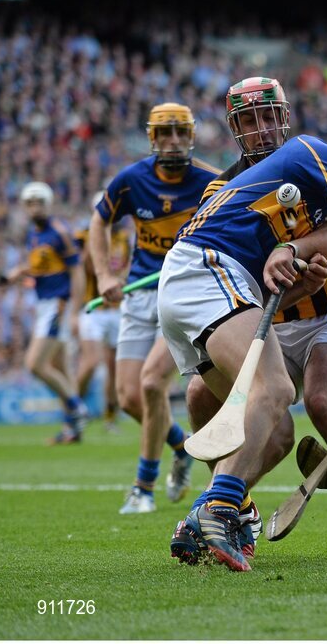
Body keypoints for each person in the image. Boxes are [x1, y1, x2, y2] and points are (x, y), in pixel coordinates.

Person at [160, 125, 327, 572]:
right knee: (236, 394)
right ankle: (223, 507)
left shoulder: (326, 203)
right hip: (212, 274)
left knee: (295, 417)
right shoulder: (314, 156)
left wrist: (293, 257)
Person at [89, 103, 219, 514]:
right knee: (128, 397)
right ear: (153, 138)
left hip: (182, 294)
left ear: (192, 135)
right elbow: (99, 222)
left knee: (150, 385)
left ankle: (142, 487)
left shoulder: (211, 181)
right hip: (139, 292)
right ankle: (182, 447)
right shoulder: (131, 180)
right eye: (166, 134)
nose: (174, 141)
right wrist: (105, 276)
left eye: (181, 133)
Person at [5, 181, 86, 444]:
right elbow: (42, 264)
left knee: (35, 364)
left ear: (49, 204)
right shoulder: (34, 234)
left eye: (39, 202)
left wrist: (74, 310)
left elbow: (76, 272)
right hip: (43, 304)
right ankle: (71, 430)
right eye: (30, 203)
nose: (35, 208)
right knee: (60, 367)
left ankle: (76, 408)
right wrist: (21, 272)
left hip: (57, 305)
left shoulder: (60, 231)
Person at [74, 192, 131, 432]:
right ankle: (73, 410)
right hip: (93, 308)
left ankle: (109, 417)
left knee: (113, 367)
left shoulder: (124, 238)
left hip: (116, 311)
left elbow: (127, 268)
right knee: (91, 362)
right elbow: (83, 268)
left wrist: (121, 277)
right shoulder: (84, 236)